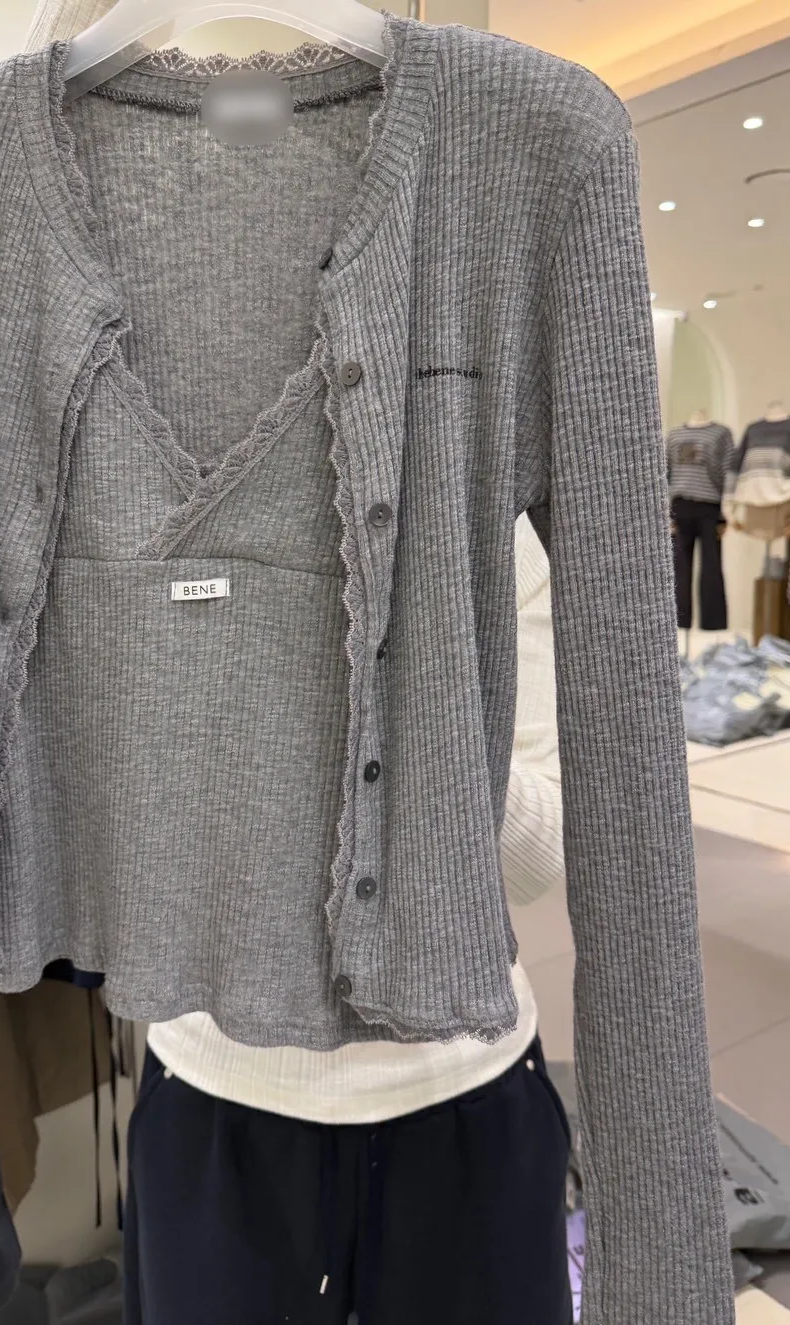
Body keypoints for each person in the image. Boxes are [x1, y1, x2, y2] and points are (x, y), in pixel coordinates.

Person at [126, 515, 571, 1323]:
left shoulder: (490, 527)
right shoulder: (170, 513)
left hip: (464, 1087)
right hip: (218, 1089)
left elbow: (535, 861)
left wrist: (412, 695)